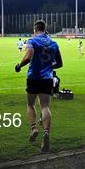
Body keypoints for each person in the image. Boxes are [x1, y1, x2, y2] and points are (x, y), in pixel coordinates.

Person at [15, 20, 63, 152]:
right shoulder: (54, 43)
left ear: (35, 29)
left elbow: (28, 57)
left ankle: (33, 128)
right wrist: (48, 66)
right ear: (44, 28)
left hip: (34, 78)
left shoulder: (32, 41)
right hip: (47, 78)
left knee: (30, 104)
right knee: (45, 106)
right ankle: (46, 134)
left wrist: (19, 66)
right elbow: (59, 63)